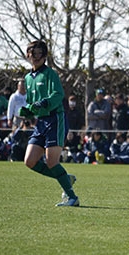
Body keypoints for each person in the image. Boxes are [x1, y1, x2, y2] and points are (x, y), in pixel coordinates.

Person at [20, 40, 79, 207]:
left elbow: (58, 94)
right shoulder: (27, 78)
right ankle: (66, 179)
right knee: (29, 161)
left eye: (40, 54)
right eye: (33, 53)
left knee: (51, 161)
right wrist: (28, 112)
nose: (36, 57)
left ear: (45, 56)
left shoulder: (50, 74)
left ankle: (72, 197)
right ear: (28, 55)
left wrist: (43, 103)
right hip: (41, 123)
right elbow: (32, 103)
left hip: (55, 119)